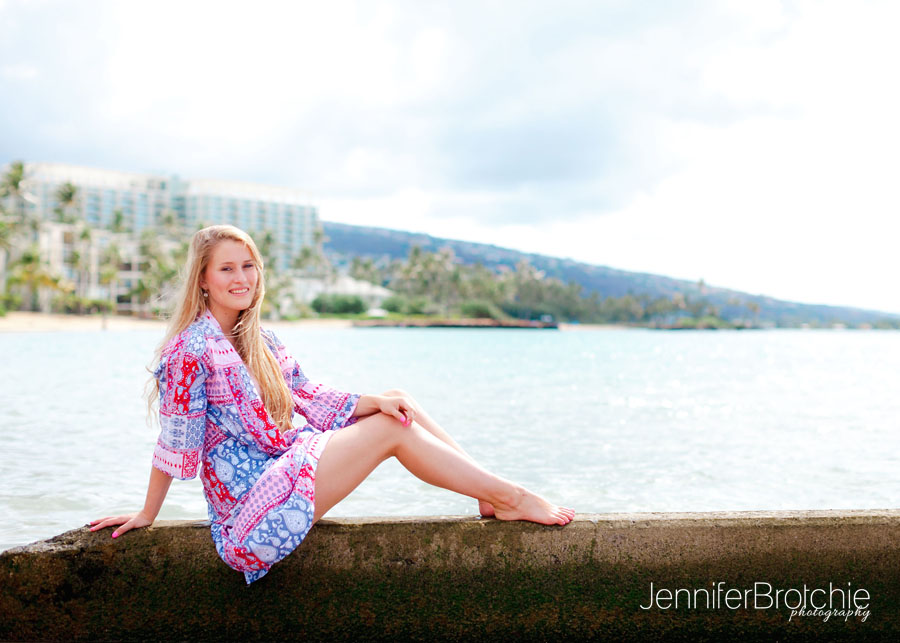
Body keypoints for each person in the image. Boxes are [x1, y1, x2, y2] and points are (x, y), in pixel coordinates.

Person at [90, 224, 575, 584]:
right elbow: (176, 442)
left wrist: (376, 400)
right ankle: (511, 496)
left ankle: (488, 496)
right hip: (250, 515)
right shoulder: (189, 350)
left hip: (283, 467)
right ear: (203, 279)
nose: (242, 277)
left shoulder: (260, 339)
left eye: (248, 265)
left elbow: (307, 394)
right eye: (227, 268)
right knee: (390, 428)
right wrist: (147, 513)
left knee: (397, 402)